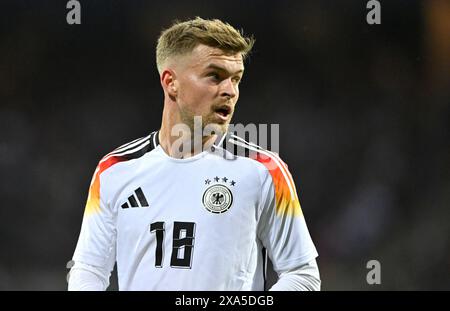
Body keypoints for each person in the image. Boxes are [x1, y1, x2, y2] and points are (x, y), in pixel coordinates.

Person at [68, 17, 320, 291]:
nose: (230, 91)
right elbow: (89, 269)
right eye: (215, 76)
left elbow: (302, 275)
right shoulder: (115, 169)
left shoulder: (264, 169)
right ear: (171, 82)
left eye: (236, 79)